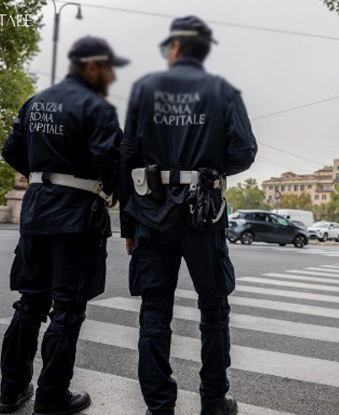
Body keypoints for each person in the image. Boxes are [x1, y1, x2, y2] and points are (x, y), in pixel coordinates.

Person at [119, 17, 257, 415]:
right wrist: (210, 170)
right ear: (203, 49)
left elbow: (127, 157)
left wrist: (129, 225)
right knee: (213, 309)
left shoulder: (145, 90)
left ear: (175, 48)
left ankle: (159, 406)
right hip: (203, 213)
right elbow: (245, 150)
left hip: (151, 211)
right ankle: (213, 401)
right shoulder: (222, 90)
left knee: (154, 311)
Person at [0, 37, 128, 414]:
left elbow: (9, 149)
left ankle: (9, 390)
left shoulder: (35, 101)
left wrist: (42, 176)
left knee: (29, 304)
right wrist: (112, 191)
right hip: (76, 218)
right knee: (68, 309)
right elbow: (109, 159)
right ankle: (52, 395)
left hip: (37, 212)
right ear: (92, 66)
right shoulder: (97, 107)